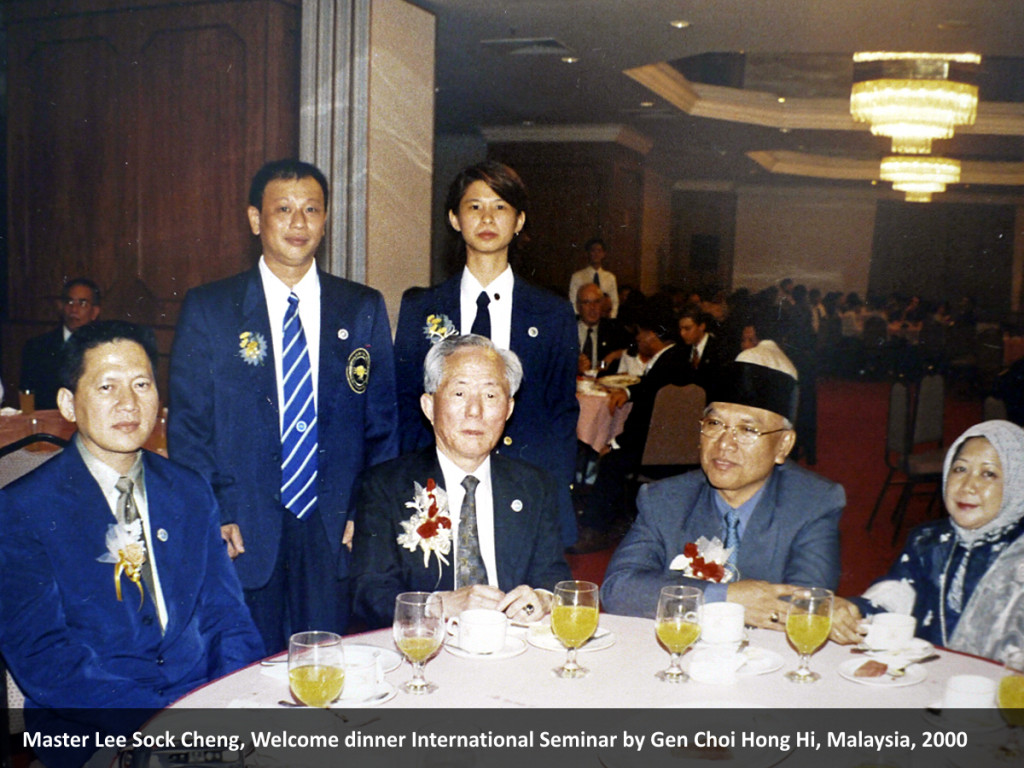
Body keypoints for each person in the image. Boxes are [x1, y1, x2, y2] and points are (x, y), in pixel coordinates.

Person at [0, 321, 263, 768]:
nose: (128, 403)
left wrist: (230, 701)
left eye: (142, 384)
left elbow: (228, 618)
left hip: (200, 706)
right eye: (107, 387)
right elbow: (44, 657)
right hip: (92, 727)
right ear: (68, 404)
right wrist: (161, 725)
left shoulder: (190, 490)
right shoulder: (22, 508)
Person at [168, 159, 398, 652]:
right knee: (248, 667)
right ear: (256, 219)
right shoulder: (211, 308)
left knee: (329, 662)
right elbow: (189, 428)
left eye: (311, 210)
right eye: (283, 209)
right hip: (243, 525)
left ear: (325, 220)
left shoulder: (361, 307)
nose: (298, 223)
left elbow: (382, 425)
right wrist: (215, 512)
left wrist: (368, 512)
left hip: (334, 526)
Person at [393, 160, 578, 546]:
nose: (487, 218)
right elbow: (406, 407)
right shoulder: (421, 308)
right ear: (454, 218)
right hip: (437, 489)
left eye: (500, 206)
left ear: (519, 220)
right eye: (474, 206)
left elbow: (560, 415)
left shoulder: (552, 313)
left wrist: (554, 504)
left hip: (525, 487)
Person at [600, 340, 844, 624]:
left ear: (783, 445)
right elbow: (618, 589)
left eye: (748, 429)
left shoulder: (813, 502)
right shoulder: (665, 498)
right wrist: (725, 597)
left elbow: (808, 607)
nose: (725, 443)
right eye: (715, 424)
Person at [352, 334, 571, 628]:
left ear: (508, 409)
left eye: (490, 396)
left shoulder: (534, 485)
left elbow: (553, 574)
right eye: (459, 393)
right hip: (429, 643)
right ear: (429, 406)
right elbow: (368, 592)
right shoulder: (384, 485)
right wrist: (439, 605)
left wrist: (543, 598)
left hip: (513, 642)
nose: (475, 411)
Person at [831, 421, 1024, 661]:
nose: (967, 486)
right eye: (960, 469)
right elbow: (898, 592)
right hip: (927, 673)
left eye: (988, 474)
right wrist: (855, 611)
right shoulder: (929, 539)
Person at [573, 301, 692, 554]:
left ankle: (595, 530)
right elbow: (649, 388)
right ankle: (619, 519)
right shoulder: (678, 359)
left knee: (610, 460)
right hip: (682, 450)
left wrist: (615, 443)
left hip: (654, 450)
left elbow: (644, 419)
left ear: (652, 335)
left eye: (640, 333)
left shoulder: (664, 365)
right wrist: (628, 391)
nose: (637, 339)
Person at [19, 277, 102, 409]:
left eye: (82, 303)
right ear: (61, 307)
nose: (74, 309)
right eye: (69, 302)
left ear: (94, 312)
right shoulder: (37, 347)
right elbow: (28, 397)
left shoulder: (104, 348)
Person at [576, 282, 630, 374]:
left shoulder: (613, 329)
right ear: (578, 306)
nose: (592, 307)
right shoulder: (566, 329)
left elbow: (633, 347)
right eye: (586, 302)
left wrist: (613, 356)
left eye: (596, 302)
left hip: (602, 381)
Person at [568, 237, 619, 318]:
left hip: (605, 319)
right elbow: (573, 301)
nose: (596, 254)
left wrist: (611, 318)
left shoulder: (610, 277)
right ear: (588, 253)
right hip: (583, 320)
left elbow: (614, 302)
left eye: (599, 251)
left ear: (603, 254)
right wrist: (579, 318)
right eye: (593, 250)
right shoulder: (577, 277)